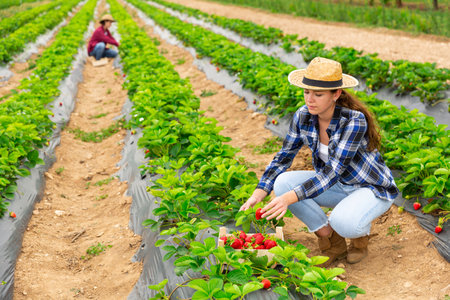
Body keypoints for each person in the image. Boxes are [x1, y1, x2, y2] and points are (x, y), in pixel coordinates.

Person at [240, 57, 399, 267]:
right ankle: (332, 241)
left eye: (318, 94)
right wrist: (259, 192)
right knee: (282, 183)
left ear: (336, 94)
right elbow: (284, 157)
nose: (310, 99)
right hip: (336, 186)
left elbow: (333, 170)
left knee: (343, 222)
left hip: (369, 188)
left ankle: (359, 239)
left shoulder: (353, 120)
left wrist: (289, 199)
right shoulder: (303, 116)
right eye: (307, 92)